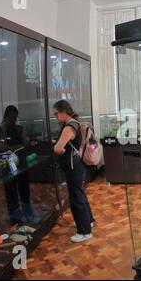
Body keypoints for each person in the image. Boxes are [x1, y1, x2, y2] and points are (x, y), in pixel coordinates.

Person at [53, 100, 95, 243]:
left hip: (73, 167)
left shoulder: (68, 128)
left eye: (56, 113)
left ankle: (84, 232)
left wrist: (59, 147)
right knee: (80, 194)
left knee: (76, 198)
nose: (55, 116)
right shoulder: (76, 123)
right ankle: (88, 221)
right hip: (78, 165)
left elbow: (58, 149)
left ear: (63, 112)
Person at [0, 105, 35, 226]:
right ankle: (15, 218)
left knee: (24, 191)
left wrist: (18, 147)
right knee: (11, 193)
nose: (13, 120)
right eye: (11, 118)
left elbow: (26, 143)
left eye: (15, 118)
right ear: (6, 117)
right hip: (7, 166)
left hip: (21, 164)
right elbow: (2, 148)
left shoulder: (19, 129)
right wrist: (20, 146)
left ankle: (28, 214)